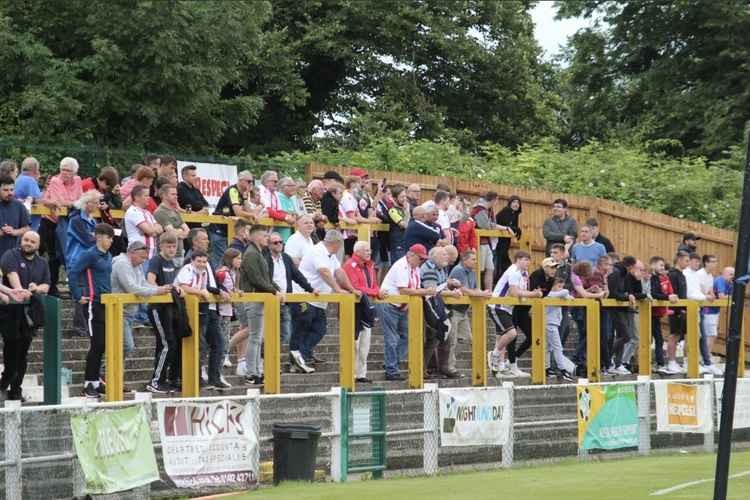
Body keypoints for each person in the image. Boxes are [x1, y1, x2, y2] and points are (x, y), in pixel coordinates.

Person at [293, 230, 356, 369]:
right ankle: (300, 357)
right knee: (304, 327)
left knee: (319, 329)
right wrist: (338, 289)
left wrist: (351, 289)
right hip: (305, 296)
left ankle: (305, 353)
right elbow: (324, 272)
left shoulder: (330, 255)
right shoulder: (318, 251)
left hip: (319, 299)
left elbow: (339, 272)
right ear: (337, 243)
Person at [0, 231, 48, 401]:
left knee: (23, 353)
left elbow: (46, 285)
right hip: (10, 312)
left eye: (32, 241)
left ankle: (16, 389)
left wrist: (36, 288)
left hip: (30, 315)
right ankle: (4, 384)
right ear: (21, 240)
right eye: (26, 240)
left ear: (37, 245)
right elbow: (12, 276)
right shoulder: (10, 255)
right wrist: (20, 291)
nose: (28, 243)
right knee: (12, 350)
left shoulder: (42, 263)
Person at [68, 224, 114, 399]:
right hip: (93, 304)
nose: (111, 241)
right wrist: (78, 295)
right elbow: (73, 272)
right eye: (109, 238)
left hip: (106, 303)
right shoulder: (89, 254)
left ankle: (95, 382)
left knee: (103, 344)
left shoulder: (108, 255)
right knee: (96, 344)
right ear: (100, 237)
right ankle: (87, 384)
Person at [379, 244, 436, 381]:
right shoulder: (401, 266)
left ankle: (391, 362)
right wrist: (425, 291)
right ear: (411, 256)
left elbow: (414, 288)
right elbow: (404, 290)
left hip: (402, 306)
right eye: (420, 258)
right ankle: (391, 370)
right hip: (389, 304)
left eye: (423, 259)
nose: (422, 262)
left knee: (407, 337)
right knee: (392, 338)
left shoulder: (414, 268)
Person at [175, 249, 231, 390]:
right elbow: (183, 287)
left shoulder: (205, 272)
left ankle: (214, 378)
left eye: (204, 261)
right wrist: (201, 292)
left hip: (205, 309)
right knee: (199, 345)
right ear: (192, 261)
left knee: (219, 343)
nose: (201, 264)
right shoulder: (187, 269)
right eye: (199, 261)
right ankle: (195, 378)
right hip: (187, 311)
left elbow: (206, 288)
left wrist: (216, 291)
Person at [238, 225, 283, 385]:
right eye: (264, 235)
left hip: (261, 297)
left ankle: (256, 370)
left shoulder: (258, 253)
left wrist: (276, 290)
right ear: (256, 237)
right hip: (254, 297)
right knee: (255, 336)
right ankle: (252, 372)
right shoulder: (251, 253)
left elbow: (265, 278)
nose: (267, 238)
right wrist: (274, 291)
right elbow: (256, 278)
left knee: (258, 336)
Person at [488, 251, 542, 377]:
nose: (527, 262)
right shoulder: (513, 270)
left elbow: (521, 292)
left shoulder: (524, 273)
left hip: (508, 308)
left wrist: (526, 294)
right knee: (511, 333)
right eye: (524, 259)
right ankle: (494, 354)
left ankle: (498, 369)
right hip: (498, 306)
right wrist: (533, 294)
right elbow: (514, 292)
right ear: (517, 260)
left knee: (502, 337)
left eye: (528, 260)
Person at [112, 241, 169, 356]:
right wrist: (157, 291)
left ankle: (109, 372)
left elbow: (143, 284)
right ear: (132, 253)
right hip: (118, 312)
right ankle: (106, 371)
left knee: (124, 346)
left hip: (128, 312)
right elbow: (132, 288)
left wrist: (160, 289)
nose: (143, 261)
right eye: (142, 257)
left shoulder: (137, 265)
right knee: (127, 346)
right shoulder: (122, 264)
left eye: (145, 258)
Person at [145, 233, 185, 393]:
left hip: (170, 307)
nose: (171, 249)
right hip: (157, 307)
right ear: (161, 246)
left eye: (174, 246)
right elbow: (150, 279)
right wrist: (158, 290)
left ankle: (164, 378)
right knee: (168, 343)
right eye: (168, 246)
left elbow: (176, 282)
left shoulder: (173, 263)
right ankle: (155, 381)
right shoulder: (156, 260)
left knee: (168, 344)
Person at [342, 241, 385, 383]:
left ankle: (361, 373)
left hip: (366, 306)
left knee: (365, 342)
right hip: (353, 307)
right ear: (358, 251)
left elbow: (373, 285)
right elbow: (355, 287)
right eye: (366, 250)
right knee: (354, 342)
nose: (369, 252)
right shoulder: (349, 265)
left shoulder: (370, 266)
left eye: (370, 250)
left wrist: (375, 291)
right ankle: (351, 373)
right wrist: (376, 292)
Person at [40, 158, 82, 296]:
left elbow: (80, 200)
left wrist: (73, 203)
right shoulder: (55, 181)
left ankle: (70, 287)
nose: (64, 172)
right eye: (62, 169)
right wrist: (74, 203)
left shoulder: (78, 180)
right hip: (51, 222)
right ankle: (52, 288)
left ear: (74, 172)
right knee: (54, 257)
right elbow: (60, 201)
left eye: (68, 170)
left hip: (69, 221)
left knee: (67, 254)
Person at [265, 232, 316, 347]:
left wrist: (310, 289)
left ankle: (272, 359)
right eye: (275, 242)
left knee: (286, 333)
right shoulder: (265, 259)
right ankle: (265, 359)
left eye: (281, 242)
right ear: (268, 245)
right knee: (267, 333)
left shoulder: (286, 258)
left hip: (285, 301)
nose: (279, 244)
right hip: (270, 300)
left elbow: (297, 275)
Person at [420, 246, 463, 378]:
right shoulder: (429, 269)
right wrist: (452, 293)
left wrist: (450, 284)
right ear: (434, 257)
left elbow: (441, 285)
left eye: (446, 255)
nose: (447, 257)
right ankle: (424, 369)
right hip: (429, 306)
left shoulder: (441, 268)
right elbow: (431, 291)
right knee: (436, 335)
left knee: (444, 336)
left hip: (437, 305)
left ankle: (440, 367)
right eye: (443, 255)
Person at [65, 190, 101, 337]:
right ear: (87, 203)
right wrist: (97, 237)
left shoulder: (92, 220)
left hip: (89, 262)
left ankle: (86, 326)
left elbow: (97, 238)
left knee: (88, 293)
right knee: (80, 294)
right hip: (77, 260)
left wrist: (96, 236)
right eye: (96, 202)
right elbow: (88, 240)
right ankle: (80, 327)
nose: (98, 205)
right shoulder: (76, 220)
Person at [209, 170, 257, 268]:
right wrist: (251, 215)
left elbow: (249, 211)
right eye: (249, 181)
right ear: (240, 180)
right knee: (221, 259)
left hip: (228, 229)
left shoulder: (244, 193)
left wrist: (245, 199)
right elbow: (238, 212)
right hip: (218, 228)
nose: (251, 184)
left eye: (252, 182)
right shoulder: (233, 190)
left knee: (230, 260)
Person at [447, 250, 492, 352]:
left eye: (476, 259)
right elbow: (465, 290)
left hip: (463, 311)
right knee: (451, 341)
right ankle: (448, 367)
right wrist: (482, 294)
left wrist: (484, 293)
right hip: (453, 310)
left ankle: (449, 363)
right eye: (473, 259)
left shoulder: (472, 271)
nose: (476, 261)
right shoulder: (459, 270)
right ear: (464, 260)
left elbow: (476, 289)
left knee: (467, 339)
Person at [684, 253, 720, 374]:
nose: (697, 264)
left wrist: (709, 295)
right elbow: (692, 292)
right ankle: (690, 362)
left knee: (703, 336)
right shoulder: (693, 274)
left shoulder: (709, 276)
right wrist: (706, 296)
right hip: (691, 308)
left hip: (700, 307)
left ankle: (707, 362)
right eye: (713, 261)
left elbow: (707, 291)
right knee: (694, 336)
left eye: (697, 262)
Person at [607, 256, 644, 375]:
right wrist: (627, 296)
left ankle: (617, 363)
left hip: (623, 308)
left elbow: (634, 292)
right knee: (626, 336)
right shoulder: (616, 273)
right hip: (614, 308)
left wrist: (637, 280)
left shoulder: (626, 275)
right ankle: (607, 359)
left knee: (622, 336)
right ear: (631, 266)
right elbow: (614, 293)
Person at [569, 260, 606, 373]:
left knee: (585, 333)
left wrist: (590, 289)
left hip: (577, 305)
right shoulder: (574, 277)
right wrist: (599, 294)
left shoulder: (577, 277)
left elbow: (580, 293)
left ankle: (580, 358)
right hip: (575, 307)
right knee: (586, 333)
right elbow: (583, 295)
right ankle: (576, 357)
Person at [649, 256, 679, 374]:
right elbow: (654, 293)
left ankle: (659, 363)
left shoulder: (659, 277)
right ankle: (653, 364)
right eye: (660, 265)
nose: (663, 267)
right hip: (649, 313)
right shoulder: (652, 278)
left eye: (663, 265)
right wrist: (667, 297)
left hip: (656, 314)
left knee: (659, 339)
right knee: (651, 339)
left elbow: (660, 293)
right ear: (653, 265)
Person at [214, 248, 242, 370]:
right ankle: (222, 355)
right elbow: (217, 286)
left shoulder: (234, 273)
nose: (240, 261)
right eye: (238, 258)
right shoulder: (222, 273)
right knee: (221, 333)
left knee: (226, 333)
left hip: (228, 309)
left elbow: (232, 287)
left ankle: (225, 355)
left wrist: (236, 291)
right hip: (220, 308)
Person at [545, 278, 576, 382]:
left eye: (561, 287)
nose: (561, 289)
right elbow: (566, 292)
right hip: (550, 324)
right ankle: (562, 369)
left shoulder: (558, 296)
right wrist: (566, 294)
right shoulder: (550, 294)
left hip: (552, 324)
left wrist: (566, 295)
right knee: (557, 347)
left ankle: (547, 368)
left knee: (549, 348)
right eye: (558, 286)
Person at [124, 185, 163, 261]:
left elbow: (160, 229)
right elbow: (149, 231)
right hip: (138, 254)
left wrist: (151, 230)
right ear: (136, 197)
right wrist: (152, 230)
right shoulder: (133, 211)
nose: (149, 198)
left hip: (150, 254)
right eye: (146, 195)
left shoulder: (147, 213)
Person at [470, 192, 499, 291]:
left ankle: (488, 294)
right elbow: (486, 226)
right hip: (478, 243)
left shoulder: (490, 210)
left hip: (487, 243)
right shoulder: (479, 209)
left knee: (490, 269)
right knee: (478, 269)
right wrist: (504, 228)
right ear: (494, 200)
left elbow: (493, 224)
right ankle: (475, 292)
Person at [154, 184, 190, 264]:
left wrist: (179, 232)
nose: (176, 196)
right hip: (167, 256)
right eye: (173, 194)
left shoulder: (175, 211)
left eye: (176, 194)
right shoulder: (160, 212)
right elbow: (172, 233)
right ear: (164, 196)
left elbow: (188, 231)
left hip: (180, 253)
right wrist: (181, 231)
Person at [666, 251, 689, 373]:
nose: (687, 263)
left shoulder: (682, 275)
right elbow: (672, 292)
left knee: (680, 335)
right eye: (686, 260)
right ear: (679, 260)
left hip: (682, 309)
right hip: (675, 309)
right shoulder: (673, 274)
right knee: (674, 335)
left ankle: (678, 361)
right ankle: (671, 361)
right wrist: (678, 308)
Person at [0, 176, 30, 259]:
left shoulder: (19, 206)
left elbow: (27, 228)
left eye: (11, 190)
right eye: (5, 190)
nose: (9, 193)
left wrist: (14, 231)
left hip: (14, 254)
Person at [494, 195, 522, 280]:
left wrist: (517, 230)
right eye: (514, 202)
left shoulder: (515, 214)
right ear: (509, 203)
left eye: (518, 203)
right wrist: (517, 229)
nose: (516, 204)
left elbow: (513, 228)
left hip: (505, 243)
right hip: (498, 242)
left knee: (504, 263)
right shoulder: (506, 211)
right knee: (501, 264)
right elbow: (507, 226)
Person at [14, 157, 45, 231]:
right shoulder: (30, 180)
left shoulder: (18, 179)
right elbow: (39, 201)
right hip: (30, 225)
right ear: (36, 170)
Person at [385, 185, 410, 263]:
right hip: (397, 244)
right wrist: (407, 211)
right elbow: (404, 225)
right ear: (395, 198)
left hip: (406, 243)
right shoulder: (392, 211)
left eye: (405, 196)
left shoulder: (404, 210)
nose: (405, 199)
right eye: (402, 197)